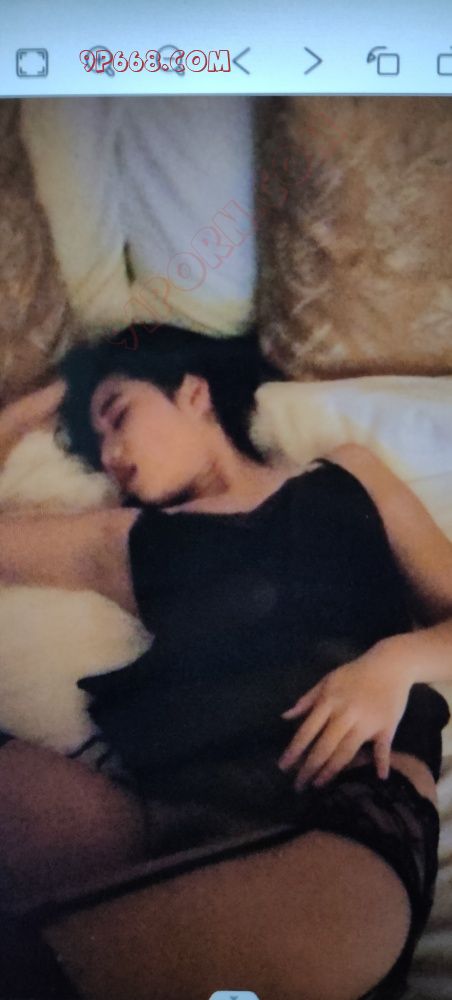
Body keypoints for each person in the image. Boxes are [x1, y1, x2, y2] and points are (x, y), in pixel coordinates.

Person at [0, 323, 452, 1000]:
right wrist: (37, 403)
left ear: (194, 392)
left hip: (342, 816)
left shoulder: (345, 476)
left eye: (118, 416)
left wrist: (395, 662)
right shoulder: (125, 539)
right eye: (97, 446)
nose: (112, 455)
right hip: (163, 814)